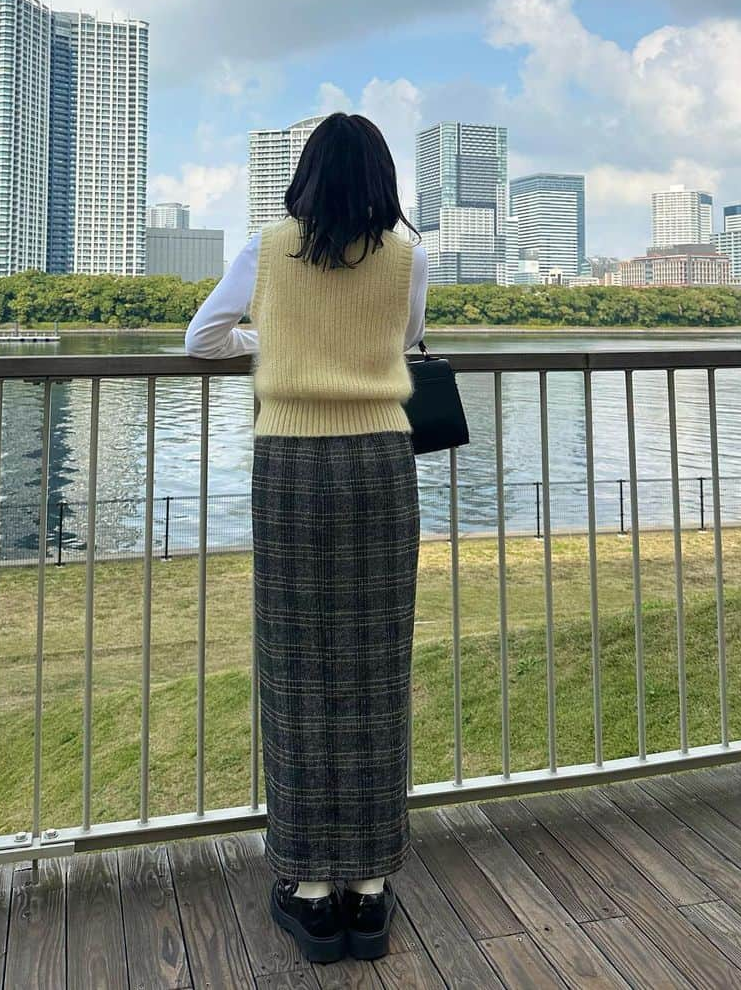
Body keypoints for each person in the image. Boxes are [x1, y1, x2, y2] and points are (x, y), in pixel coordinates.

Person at [185, 112, 428, 964]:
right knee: (375, 664)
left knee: (295, 665)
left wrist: (271, 339)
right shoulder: (408, 255)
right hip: (379, 469)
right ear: (383, 179)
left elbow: (202, 338)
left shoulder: (266, 249)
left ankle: (310, 889)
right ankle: (367, 885)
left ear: (307, 175)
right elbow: (402, 343)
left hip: (290, 466)